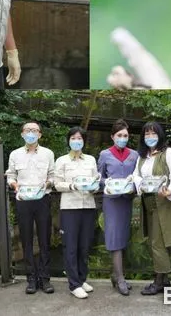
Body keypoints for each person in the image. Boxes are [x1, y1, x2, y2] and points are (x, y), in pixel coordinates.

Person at [132, 121, 171, 296]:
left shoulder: (168, 153)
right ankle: (165, 279)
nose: (150, 137)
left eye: (154, 134)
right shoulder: (142, 156)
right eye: (147, 134)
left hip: (164, 202)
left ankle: (158, 281)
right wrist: (141, 184)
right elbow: (135, 175)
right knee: (155, 240)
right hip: (148, 203)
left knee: (158, 243)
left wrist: (170, 190)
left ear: (160, 135)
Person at [6, 121, 55, 294]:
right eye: (27, 130)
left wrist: (47, 183)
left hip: (43, 199)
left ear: (40, 134)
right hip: (23, 199)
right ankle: (31, 278)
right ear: (22, 134)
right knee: (26, 240)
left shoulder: (48, 154)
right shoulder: (15, 154)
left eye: (34, 130)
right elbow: (10, 175)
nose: (31, 133)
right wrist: (14, 185)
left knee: (44, 239)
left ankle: (45, 278)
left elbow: (52, 175)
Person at [54, 126, 98, 299]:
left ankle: (81, 278)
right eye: (73, 138)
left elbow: (95, 180)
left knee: (84, 245)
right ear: (69, 140)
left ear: (84, 141)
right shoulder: (62, 161)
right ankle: (73, 284)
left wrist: (93, 187)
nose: (76, 141)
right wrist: (73, 186)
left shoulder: (91, 160)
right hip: (70, 207)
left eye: (79, 138)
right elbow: (57, 184)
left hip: (88, 206)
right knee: (70, 246)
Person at [97, 119, 139, 296]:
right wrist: (109, 182)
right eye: (119, 135)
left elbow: (139, 178)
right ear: (113, 136)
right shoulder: (104, 154)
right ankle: (120, 277)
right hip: (112, 201)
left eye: (125, 136)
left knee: (123, 237)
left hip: (127, 201)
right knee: (114, 238)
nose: (123, 138)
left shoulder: (134, 155)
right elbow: (98, 180)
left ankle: (115, 275)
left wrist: (133, 184)